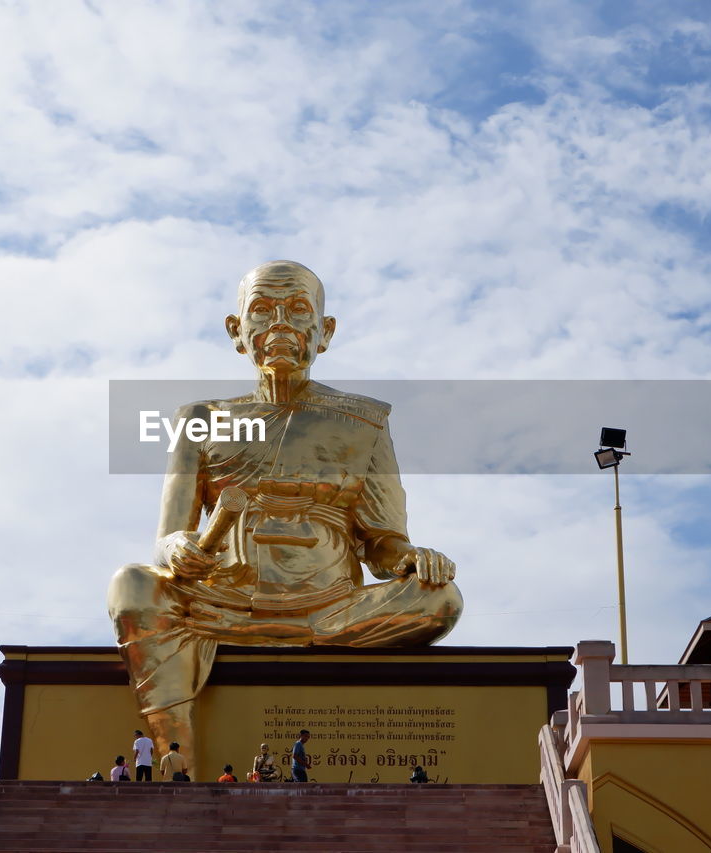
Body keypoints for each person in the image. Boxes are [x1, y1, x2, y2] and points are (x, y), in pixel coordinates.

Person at [109, 261, 463, 765]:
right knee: (132, 584)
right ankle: (174, 742)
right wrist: (178, 549)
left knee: (441, 599)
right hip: (224, 598)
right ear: (237, 331)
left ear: (325, 331)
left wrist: (414, 558)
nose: (280, 324)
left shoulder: (364, 421)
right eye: (261, 311)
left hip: (331, 604)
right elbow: (168, 537)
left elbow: (383, 544)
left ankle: (281, 635)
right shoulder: (201, 420)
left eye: (298, 310)